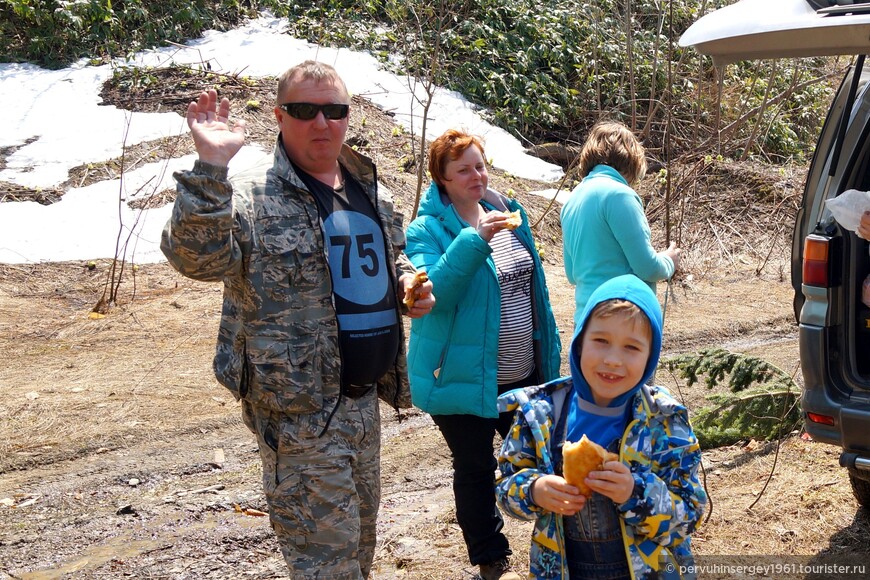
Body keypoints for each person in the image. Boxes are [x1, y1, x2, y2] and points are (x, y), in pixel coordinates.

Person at [160, 60, 435, 579]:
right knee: (324, 565)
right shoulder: (250, 194)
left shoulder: (370, 190)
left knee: (358, 549)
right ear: (279, 116)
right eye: (305, 110)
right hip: (299, 413)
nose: (322, 122)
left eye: (334, 110)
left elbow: (386, 259)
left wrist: (406, 286)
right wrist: (210, 169)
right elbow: (196, 259)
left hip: (362, 405)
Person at [403, 129, 562, 580]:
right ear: (443, 178)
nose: (477, 175)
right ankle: (491, 558)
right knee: (475, 466)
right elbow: (437, 295)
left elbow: (534, 291)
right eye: (464, 169)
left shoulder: (508, 213)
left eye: (480, 165)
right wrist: (475, 240)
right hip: (462, 374)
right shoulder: (426, 231)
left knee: (540, 459)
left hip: (523, 372)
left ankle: (557, 544)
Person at [495, 274, 707, 579]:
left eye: (632, 348)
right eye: (601, 341)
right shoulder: (543, 413)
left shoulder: (663, 420)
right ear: (580, 342)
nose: (613, 360)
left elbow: (689, 515)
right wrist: (534, 490)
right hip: (565, 570)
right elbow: (505, 488)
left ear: (650, 357)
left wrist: (636, 492)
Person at [561, 120, 681, 329]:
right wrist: (669, 261)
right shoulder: (620, 195)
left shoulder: (572, 200)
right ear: (631, 161)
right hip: (622, 323)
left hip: (585, 323)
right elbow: (647, 267)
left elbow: (572, 275)